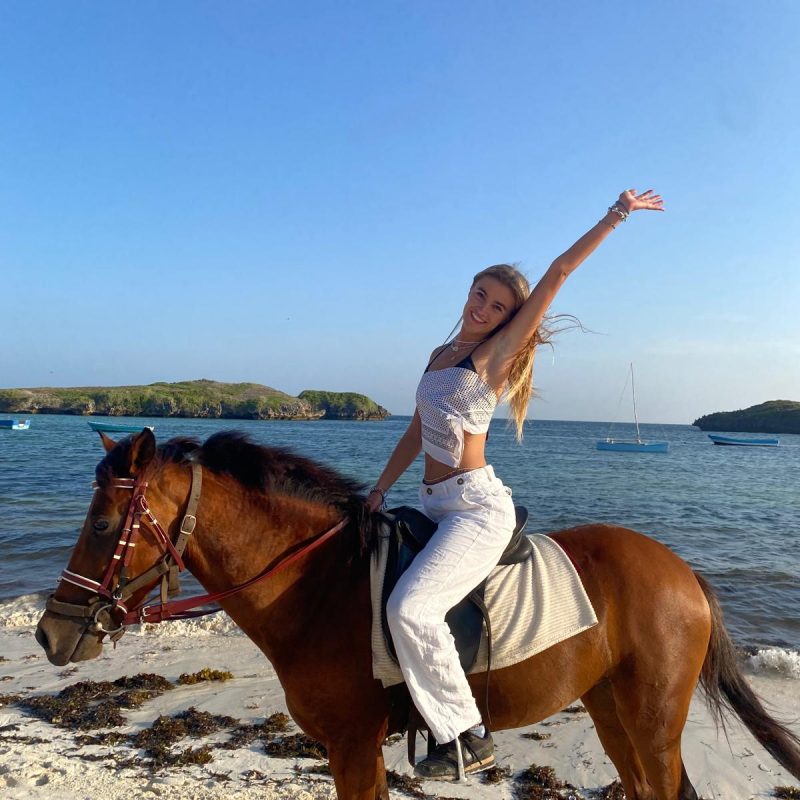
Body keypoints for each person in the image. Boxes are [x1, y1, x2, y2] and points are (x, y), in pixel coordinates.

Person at [366, 189, 664, 780]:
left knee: (411, 608)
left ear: (510, 320)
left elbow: (557, 274)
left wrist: (618, 213)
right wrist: (378, 488)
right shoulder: (440, 353)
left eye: (498, 305)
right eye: (480, 294)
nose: (483, 308)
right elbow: (417, 430)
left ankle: (467, 734)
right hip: (430, 503)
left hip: (475, 510)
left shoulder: (496, 356)